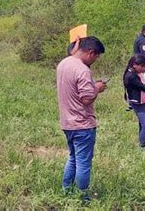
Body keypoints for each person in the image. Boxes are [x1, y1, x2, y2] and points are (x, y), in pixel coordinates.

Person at [56, 36, 106, 199]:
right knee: (84, 163)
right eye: (96, 57)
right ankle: (82, 197)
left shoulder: (64, 63)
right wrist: (97, 88)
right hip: (82, 124)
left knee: (73, 158)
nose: (95, 60)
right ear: (91, 53)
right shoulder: (83, 70)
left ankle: (66, 190)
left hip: (67, 122)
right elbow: (86, 98)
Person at [123, 54, 145, 150]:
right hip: (138, 103)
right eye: (142, 66)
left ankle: (142, 143)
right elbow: (143, 87)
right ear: (134, 65)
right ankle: (142, 147)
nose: (143, 68)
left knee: (142, 124)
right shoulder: (131, 76)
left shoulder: (136, 72)